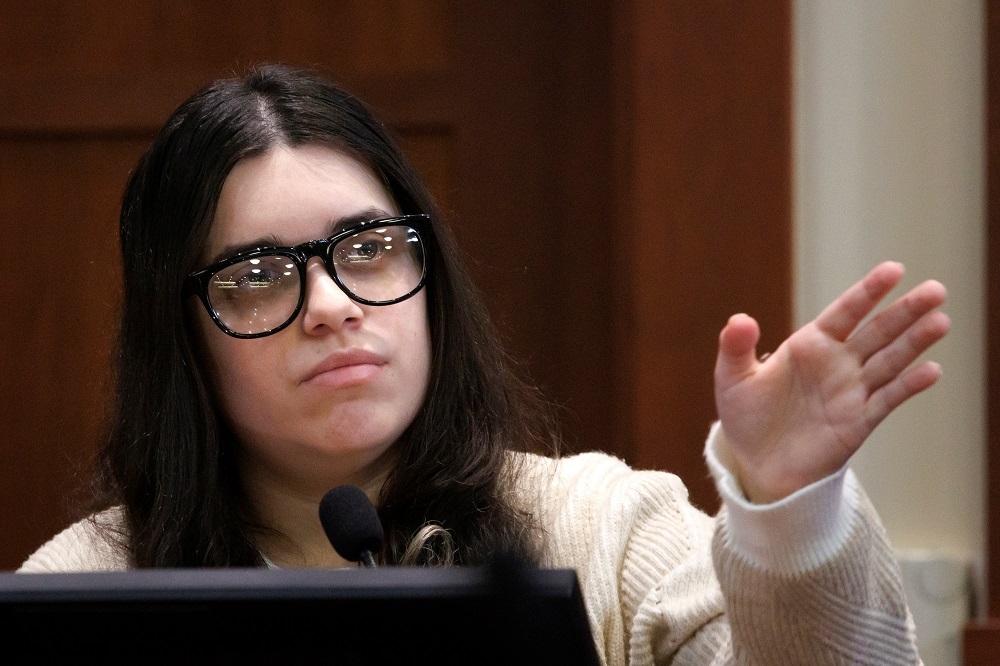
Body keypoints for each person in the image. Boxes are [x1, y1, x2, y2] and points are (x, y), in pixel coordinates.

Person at [20, 64, 948, 664]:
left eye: (369, 248)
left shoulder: (605, 529)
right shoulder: (80, 587)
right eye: (258, 275)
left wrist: (790, 512)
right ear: (180, 335)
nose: (333, 305)